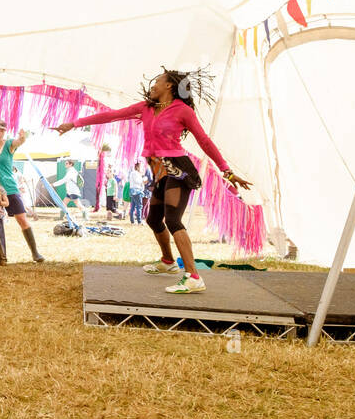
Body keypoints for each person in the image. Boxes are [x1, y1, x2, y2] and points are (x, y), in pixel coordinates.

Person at [57, 68, 251, 294]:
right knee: (153, 219)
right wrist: (74, 123)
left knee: (173, 220)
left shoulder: (183, 111)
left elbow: (204, 141)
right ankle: (168, 262)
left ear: (169, 86)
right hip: (160, 173)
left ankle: (193, 277)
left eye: (158, 81)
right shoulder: (146, 108)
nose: (153, 85)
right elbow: (112, 115)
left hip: (178, 171)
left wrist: (226, 171)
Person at [0, 120, 44, 263]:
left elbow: (19, 141)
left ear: (5, 131)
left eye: (2, 130)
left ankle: (35, 253)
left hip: (9, 188)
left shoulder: (9, 145)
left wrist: (22, 137)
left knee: (22, 220)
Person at [128, 160, 146, 225]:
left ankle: (132, 221)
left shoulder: (132, 173)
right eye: (141, 167)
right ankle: (139, 221)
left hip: (132, 190)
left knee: (133, 206)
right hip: (137, 191)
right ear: (137, 167)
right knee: (139, 206)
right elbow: (137, 181)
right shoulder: (136, 173)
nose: (141, 168)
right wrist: (143, 180)